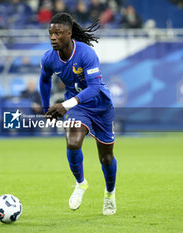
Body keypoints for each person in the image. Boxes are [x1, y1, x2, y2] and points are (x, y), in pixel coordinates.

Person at [39, 12, 117, 215]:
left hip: (100, 106)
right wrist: (45, 106)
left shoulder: (86, 54)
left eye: (58, 33)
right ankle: (80, 183)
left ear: (69, 33)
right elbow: (44, 79)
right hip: (79, 107)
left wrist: (65, 104)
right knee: (72, 142)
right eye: (50, 33)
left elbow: (94, 88)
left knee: (106, 158)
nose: (53, 37)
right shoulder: (49, 58)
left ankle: (109, 194)